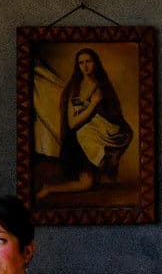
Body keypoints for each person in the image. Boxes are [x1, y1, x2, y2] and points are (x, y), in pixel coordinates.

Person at [36, 48, 133, 200]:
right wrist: (93, 104)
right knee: (86, 184)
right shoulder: (74, 88)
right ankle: (48, 189)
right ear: (78, 66)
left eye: (88, 61)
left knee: (91, 184)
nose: (85, 66)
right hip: (78, 142)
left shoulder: (103, 86)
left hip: (96, 139)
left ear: (95, 63)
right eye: (81, 63)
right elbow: (72, 123)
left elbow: (113, 116)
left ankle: (51, 188)